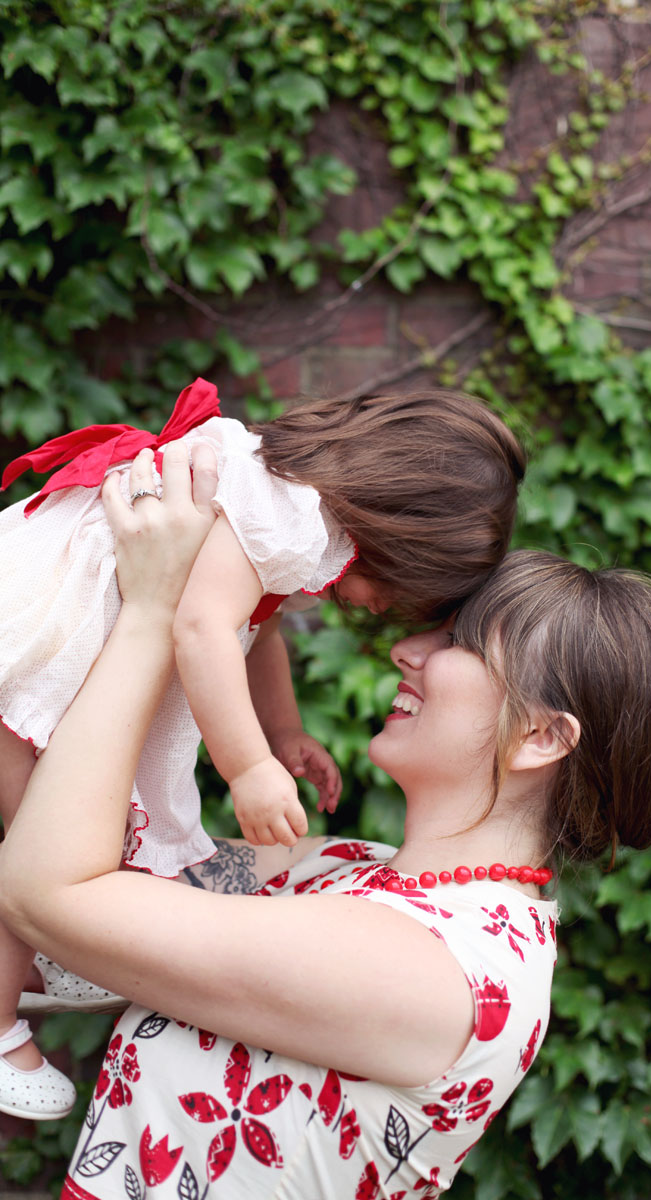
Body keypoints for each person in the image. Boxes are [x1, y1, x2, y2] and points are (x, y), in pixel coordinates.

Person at [0, 444, 651, 1197]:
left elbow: (46, 890)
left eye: (459, 644)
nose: (406, 650)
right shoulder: (345, 870)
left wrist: (155, 610)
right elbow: (71, 860)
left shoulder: (444, 974)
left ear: (542, 737)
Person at [0, 381, 525, 1119]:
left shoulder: (287, 494)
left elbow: (257, 629)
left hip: (56, 616)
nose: (387, 614)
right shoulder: (295, 520)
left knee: (62, 829)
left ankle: (55, 948)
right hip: (39, 630)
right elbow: (204, 630)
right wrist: (247, 767)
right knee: (41, 842)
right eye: (404, 594)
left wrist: (283, 734)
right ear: (404, 534)